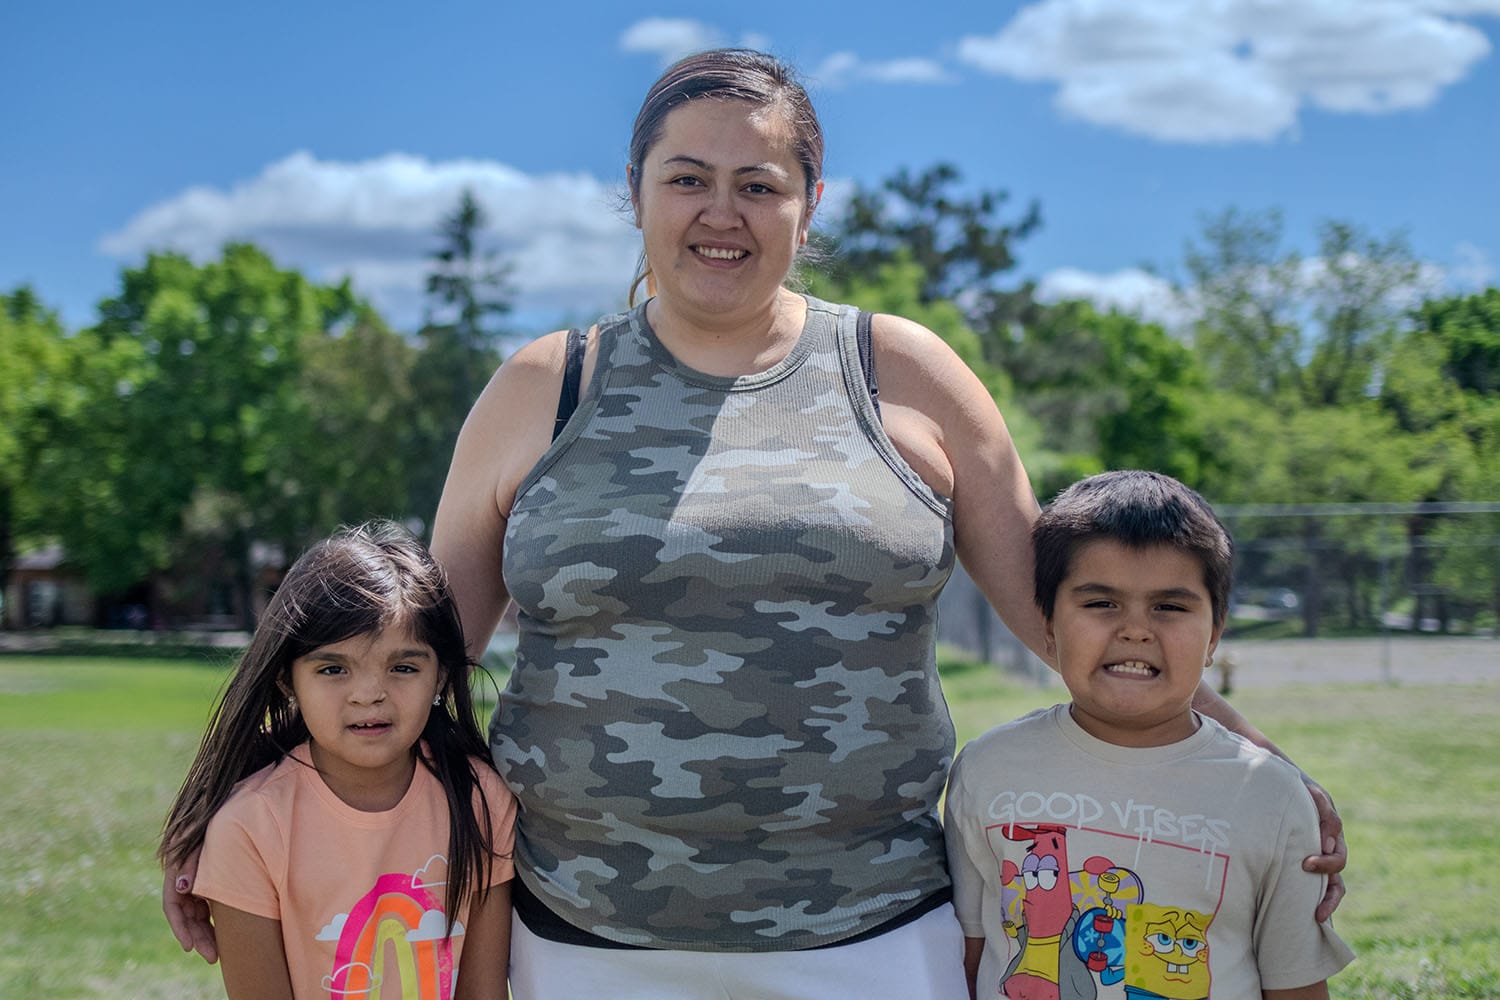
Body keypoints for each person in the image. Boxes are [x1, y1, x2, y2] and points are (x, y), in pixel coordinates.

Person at [165, 48, 1344, 997]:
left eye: (758, 183)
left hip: (875, 934)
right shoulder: (543, 386)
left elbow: (1072, 620)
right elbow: (422, 665)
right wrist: (241, 821)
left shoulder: (906, 372)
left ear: (808, 202)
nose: (719, 212)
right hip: (582, 936)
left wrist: (1254, 768)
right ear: (633, 192)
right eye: (687, 177)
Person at [944, 470, 1354, 999]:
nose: (1135, 629)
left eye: (1170, 607)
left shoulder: (1272, 798)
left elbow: (1296, 987)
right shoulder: (986, 770)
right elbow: (968, 964)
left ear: (1214, 635)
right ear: (1048, 624)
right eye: (1100, 603)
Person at [159, 522, 517, 999]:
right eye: (333, 669)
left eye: (403, 668)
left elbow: (484, 992)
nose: (369, 694)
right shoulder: (249, 827)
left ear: (440, 677)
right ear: (287, 681)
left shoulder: (480, 799)